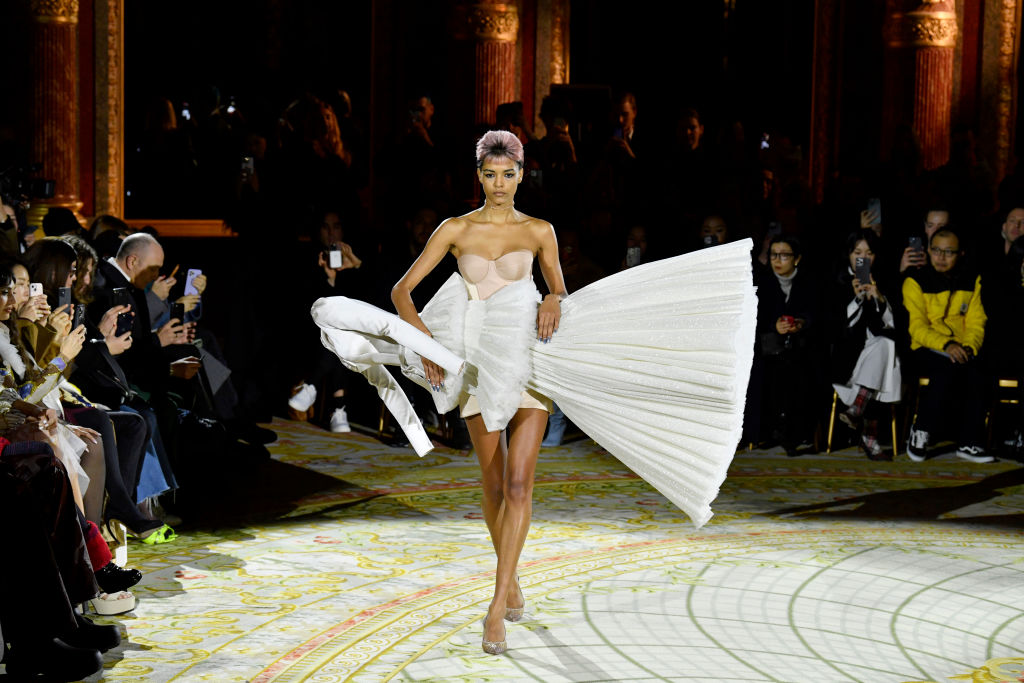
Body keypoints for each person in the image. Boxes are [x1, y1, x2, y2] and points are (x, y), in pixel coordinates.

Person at [310, 130, 756, 656]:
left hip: (529, 361)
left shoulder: (540, 230)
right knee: (494, 484)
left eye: (508, 174)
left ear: (522, 175)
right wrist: (423, 342)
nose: (499, 184)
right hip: (476, 363)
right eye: (490, 175)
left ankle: (497, 603)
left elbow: (558, 287)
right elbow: (401, 291)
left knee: (520, 485)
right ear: (479, 176)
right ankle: (512, 575)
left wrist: (554, 299)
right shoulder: (455, 229)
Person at [903, 229, 992, 463]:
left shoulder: (972, 279)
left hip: (960, 345)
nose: (941, 257)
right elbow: (916, 327)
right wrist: (946, 345)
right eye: (936, 251)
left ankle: (969, 442)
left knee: (978, 370)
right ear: (928, 250)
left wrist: (970, 347)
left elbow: (976, 322)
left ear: (960, 254)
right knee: (945, 369)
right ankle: (920, 430)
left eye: (949, 252)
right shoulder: (915, 280)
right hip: (925, 346)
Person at [829, 230, 902, 460]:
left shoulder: (886, 280)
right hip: (848, 357)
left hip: (877, 351)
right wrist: (857, 299)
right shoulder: (837, 281)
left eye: (869, 253)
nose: (863, 258)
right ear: (849, 255)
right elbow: (838, 330)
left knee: (885, 345)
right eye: (858, 253)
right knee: (885, 352)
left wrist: (879, 297)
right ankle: (869, 434)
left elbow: (896, 325)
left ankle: (857, 409)